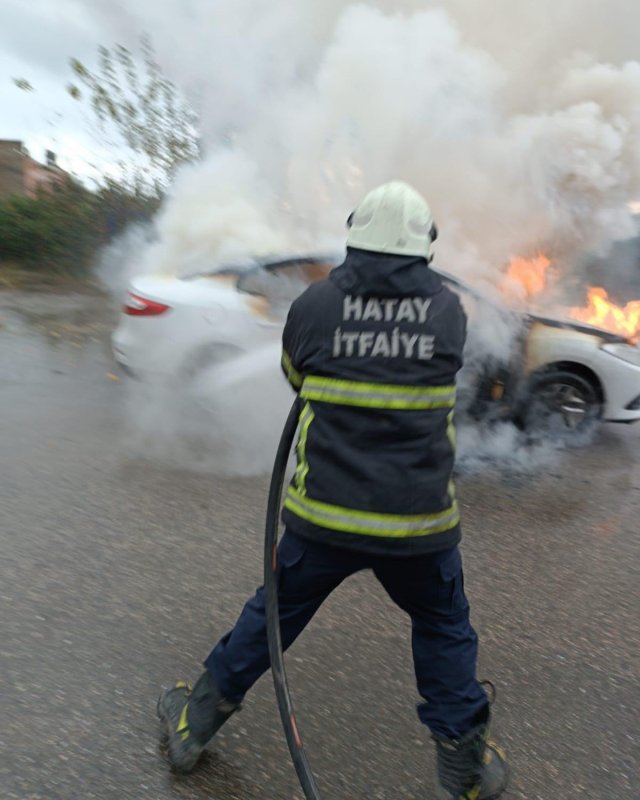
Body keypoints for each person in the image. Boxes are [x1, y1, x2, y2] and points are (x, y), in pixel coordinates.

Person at [157, 181, 509, 799]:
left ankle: (193, 724)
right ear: (422, 247)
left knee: (272, 615)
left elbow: (298, 375)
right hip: (417, 526)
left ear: (355, 238)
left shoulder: (315, 306)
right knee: (443, 627)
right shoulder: (450, 310)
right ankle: (464, 774)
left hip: (325, 518)